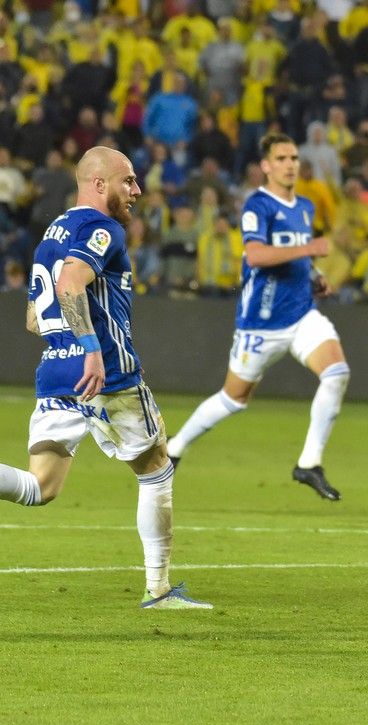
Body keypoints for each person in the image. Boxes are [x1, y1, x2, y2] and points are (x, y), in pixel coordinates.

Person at [0, 146, 210, 609]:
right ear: (99, 184)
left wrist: (71, 344)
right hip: (105, 373)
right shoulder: (102, 228)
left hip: (56, 370)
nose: (136, 191)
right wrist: (93, 349)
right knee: (156, 467)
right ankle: (158, 591)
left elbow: (34, 318)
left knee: (40, 487)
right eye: (128, 181)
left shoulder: (50, 236)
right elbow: (71, 283)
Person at [165, 132, 349, 500]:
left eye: (294, 157)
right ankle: (173, 449)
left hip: (300, 313)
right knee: (233, 399)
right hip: (261, 322)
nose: (290, 164)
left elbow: (298, 256)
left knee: (336, 374)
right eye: (281, 158)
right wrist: (309, 247)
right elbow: (257, 256)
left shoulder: (305, 207)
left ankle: (309, 464)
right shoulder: (257, 206)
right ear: (265, 166)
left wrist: (314, 275)